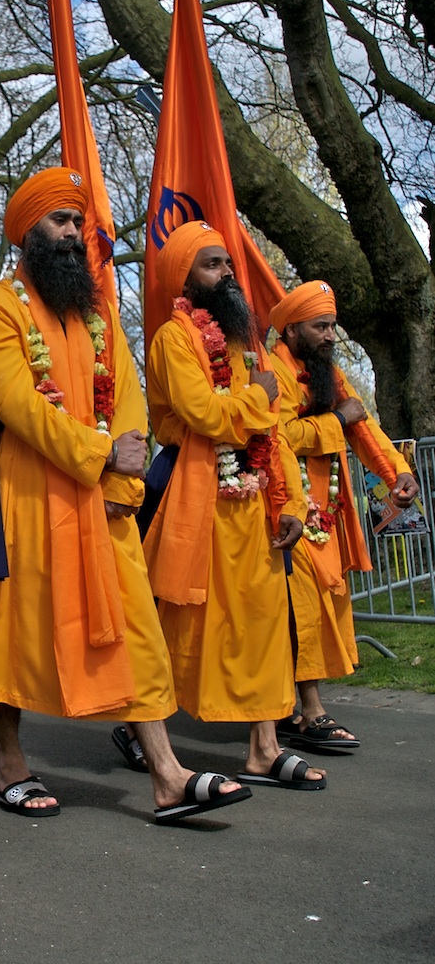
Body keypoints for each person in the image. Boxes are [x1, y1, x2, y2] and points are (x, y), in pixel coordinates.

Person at [0, 168, 250, 823]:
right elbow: (16, 404)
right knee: (12, 633)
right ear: (27, 234)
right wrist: (98, 453)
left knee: (134, 627)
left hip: (98, 501)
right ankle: (9, 766)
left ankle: (167, 775)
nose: (73, 233)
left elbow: (129, 402)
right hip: (22, 498)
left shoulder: (97, 312)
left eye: (77, 223)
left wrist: (120, 476)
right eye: (59, 221)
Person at [143, 220, 325, 792]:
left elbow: (272, 431)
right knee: (187, 623)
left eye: (227, 263)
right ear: (185, 278)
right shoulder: (173, 339)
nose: (226, 274)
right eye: (212, 265)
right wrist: (257, 396)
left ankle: (264, 749)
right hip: (194, 494)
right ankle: (144, 727)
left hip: (253, 498)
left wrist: (291, 501)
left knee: (264, 621)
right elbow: (204, 414)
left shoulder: (247, 347)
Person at [268, 281, 418, 750]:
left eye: (333, 325)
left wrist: (397, 474)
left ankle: (290, 709)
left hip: (327, 515)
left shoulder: (329, 374)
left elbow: (365, 427)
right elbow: (279, 434)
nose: (332, 335)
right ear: (291, 330)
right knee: (302, 607)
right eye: (321, 326)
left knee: (323, 605)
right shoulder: (272, 370)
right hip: (284, 509)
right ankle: (308, 712)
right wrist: (337, 421)